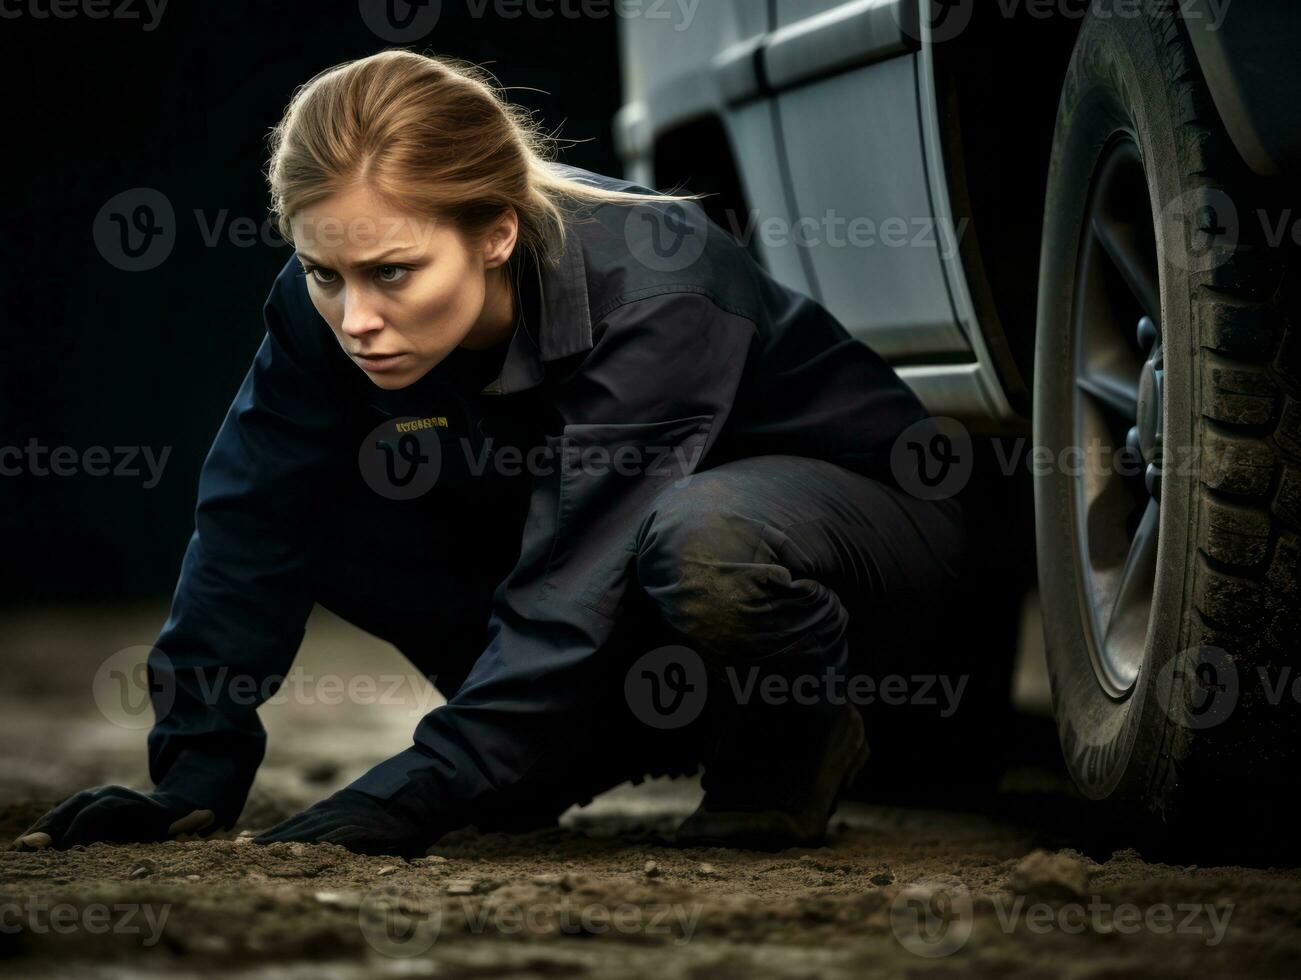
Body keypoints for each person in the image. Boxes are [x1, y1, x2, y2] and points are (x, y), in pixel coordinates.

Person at [11, 49, 965, 857]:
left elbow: (578, 576)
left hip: (851, 556)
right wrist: (196, 766)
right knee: (318, 501)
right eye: (322, 274)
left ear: (497, 232)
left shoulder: (657, 285)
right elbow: (248, 519)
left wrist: (424, 785)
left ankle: (783, 746)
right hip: (620, 579)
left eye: (392, 274)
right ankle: (557, 747)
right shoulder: (331, 305)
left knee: (700, 539)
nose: (356, 318)